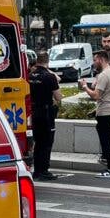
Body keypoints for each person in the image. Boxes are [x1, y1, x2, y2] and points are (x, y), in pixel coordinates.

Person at [80, 49, 110, 178]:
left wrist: (85, 87)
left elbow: (96, 95)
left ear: (101, 59)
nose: (93, 62)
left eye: (95, 59)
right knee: (106, 140)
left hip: (105, 112)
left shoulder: (104, 75)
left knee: (105, 142)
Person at [28, 51, 63, 181]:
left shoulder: (30, 75)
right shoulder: (49, 77)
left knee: (37, 142)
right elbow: (58, 97)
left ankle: (36, 170)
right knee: (47, 142)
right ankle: (44, 170)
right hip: (46, 113)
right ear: (48, 61)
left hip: (33, 112)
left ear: (37, 60)